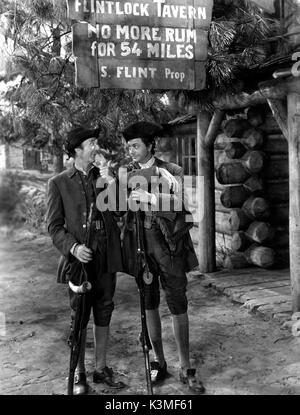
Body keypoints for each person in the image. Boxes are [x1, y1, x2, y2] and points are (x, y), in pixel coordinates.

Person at [119, 121, 205, 393]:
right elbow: (120, 212)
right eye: (128, 146)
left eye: (135, 146)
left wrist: (150, 197)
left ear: (149, 145)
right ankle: (158, 361)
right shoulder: (126, 173)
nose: (131, 151)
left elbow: (181, 206)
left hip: (170, 248)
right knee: (149, 301)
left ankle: (185, 366)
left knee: (177, 302)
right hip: (142, 248)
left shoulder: (172, 171)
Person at [46, 126, 125, 395]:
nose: (96, 147)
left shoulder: (102, 176)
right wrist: (74, 248)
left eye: (95, 142)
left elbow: (120, 210)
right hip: (79, 260)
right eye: (91, 143)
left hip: (105, 255)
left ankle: (101, 368)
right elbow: (55, 227)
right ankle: (80, 374)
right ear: (77, 150)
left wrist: (110, 179)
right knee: (79, 316)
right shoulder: (58, 183)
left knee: (104, 309)